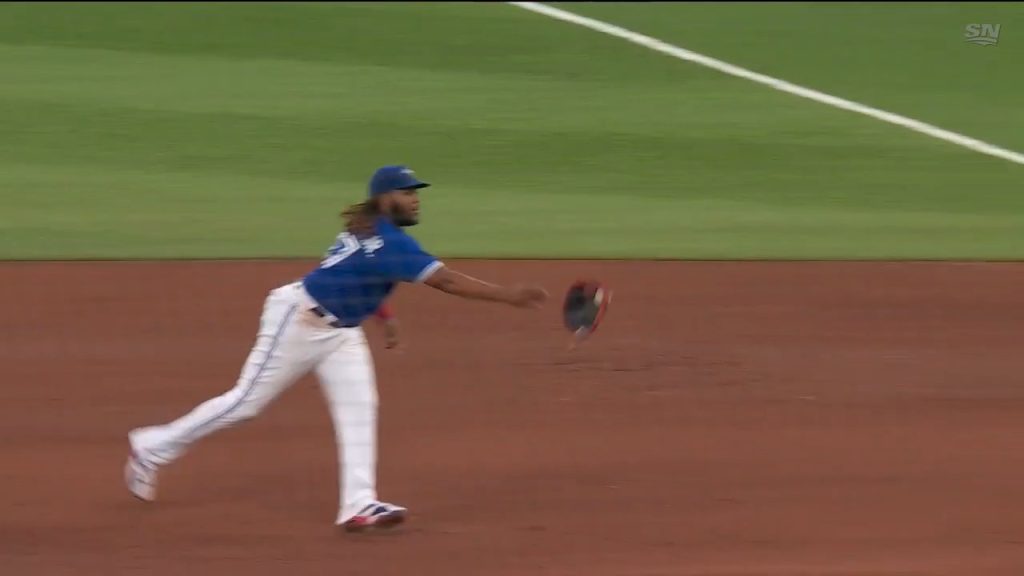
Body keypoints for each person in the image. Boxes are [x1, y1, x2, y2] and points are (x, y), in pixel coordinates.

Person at [124, 165, 548, 532]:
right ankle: (152, 447)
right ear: (385, 199)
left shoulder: (369, 228)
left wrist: (383, 317)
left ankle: (358, 504)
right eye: (407, 192)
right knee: (245, 403)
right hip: (299, 319)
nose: (416, 200)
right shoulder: (389, 241)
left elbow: (355, 273)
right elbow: (446, 281)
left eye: (417, 193)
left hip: (341, 331)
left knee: (360, 407)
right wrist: (510, 295)